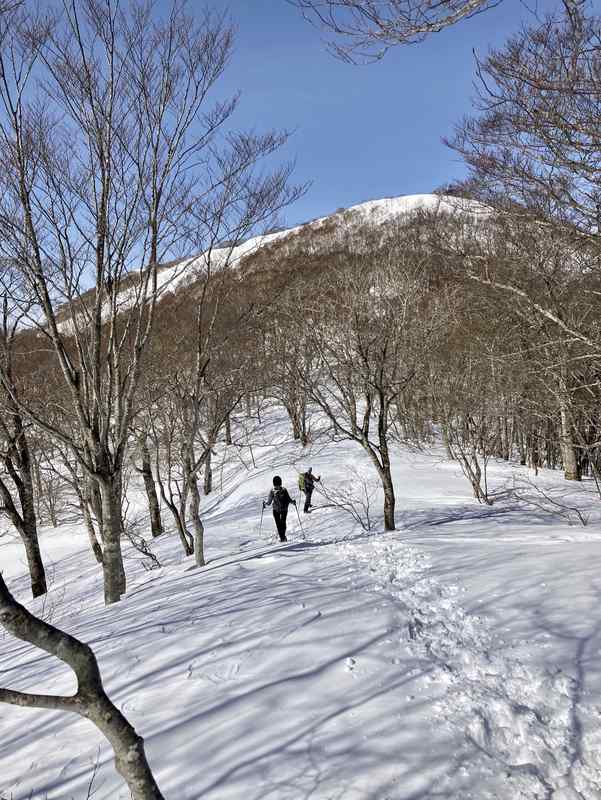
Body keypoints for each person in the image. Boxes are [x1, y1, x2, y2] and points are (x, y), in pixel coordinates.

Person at [263, 475, 296, 542]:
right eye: (277, 484)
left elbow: (269, 502)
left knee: (281, 524)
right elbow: (288, 499)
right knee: (281, 524)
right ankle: (282, 538)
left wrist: (265, 503)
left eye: (277, 484)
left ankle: (283, 537)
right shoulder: (281, 490)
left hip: (279, 509)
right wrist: (292, 502)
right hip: (281, 509)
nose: (277, 486)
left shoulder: (275, 490)